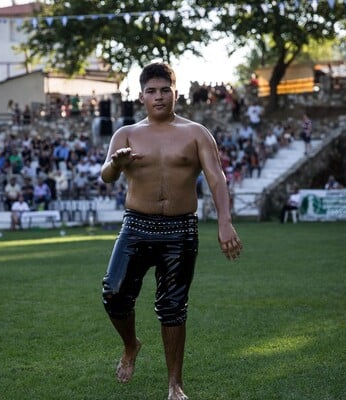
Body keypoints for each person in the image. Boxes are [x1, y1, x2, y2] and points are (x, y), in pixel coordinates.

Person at [100, 62, 242, 400]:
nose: (159, 96)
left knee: (173, 307)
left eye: (165, 90)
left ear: (176, 92)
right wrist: (117, 164)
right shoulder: (127, 134)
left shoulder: (196, 133)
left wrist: (224, 221)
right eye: (152, 91)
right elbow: (106, 175)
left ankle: (174, 384)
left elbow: (216, 178)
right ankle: (131, 345)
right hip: (136, 225)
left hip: (180, 230)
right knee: (114, 294)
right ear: (141, 96)